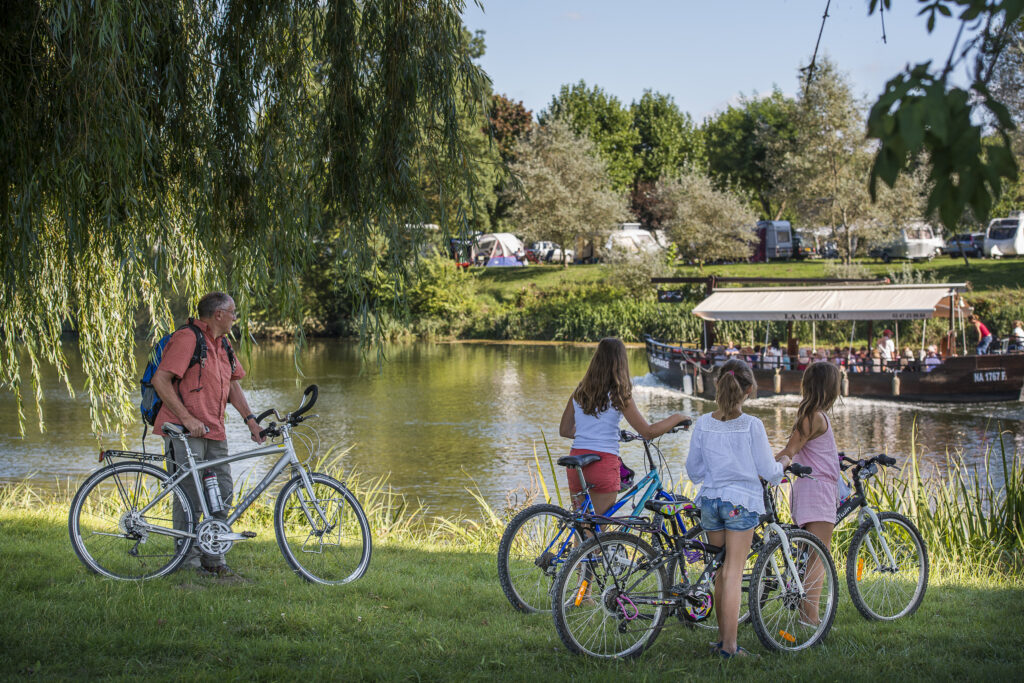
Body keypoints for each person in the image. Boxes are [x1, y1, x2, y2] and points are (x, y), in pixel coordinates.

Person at [152, 292, 265, 578]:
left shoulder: (223, 344)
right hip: (184, 431)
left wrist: (251, 421)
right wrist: (188, 419)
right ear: (218, 314)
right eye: (233, 312)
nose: (235, 318)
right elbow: (160, 380)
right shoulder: (187, 339)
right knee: (188, 497)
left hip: (215, 431)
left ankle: (214, 561)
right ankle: (185, 566)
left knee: (223, 493)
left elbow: (232, 386)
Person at [685, 358, 788, 658]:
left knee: (721, 570)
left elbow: (694, 471)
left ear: (718, 385)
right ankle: (730, 647)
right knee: (733, 572)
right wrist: (784, 463)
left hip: (711, 503)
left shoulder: (704, 423)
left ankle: (722, 640)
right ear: (749, 389)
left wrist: (718, 473)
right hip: (740, 504)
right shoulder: (752, 425)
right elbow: (769, 471)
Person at [559, 338, 687, 517]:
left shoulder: (580, 392)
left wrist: (591, 433)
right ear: (621, 362)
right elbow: (648, 432)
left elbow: (564, 430)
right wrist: (677, 417)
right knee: (598, 536)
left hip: (576, 462)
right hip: (601, 464)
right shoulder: (619, 395)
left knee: (583, 533)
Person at [775, 361, 841, 627]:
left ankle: (806, 613)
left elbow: (795, 450)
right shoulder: (816, 417)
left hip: (807, 489)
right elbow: (791, 451)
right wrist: (774, 467)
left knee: (809, 556)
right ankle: (810, 619)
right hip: (819, 490)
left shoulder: (809, 415)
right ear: (831, 389)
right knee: (819, 556)